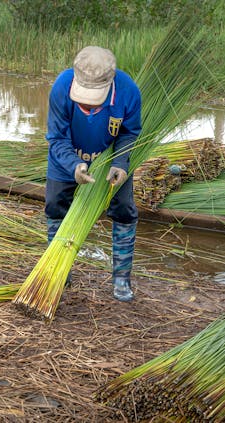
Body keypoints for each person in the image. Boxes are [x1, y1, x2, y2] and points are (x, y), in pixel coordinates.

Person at [44, 45, 142, 302]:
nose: (87, 104)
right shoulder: (61, 87)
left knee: (123, 209)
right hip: (67, 158)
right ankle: (58, 269)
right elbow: (56, 137)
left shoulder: (128, 91)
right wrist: (74, 165)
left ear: (109, 85)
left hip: (111, 160)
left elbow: (129, 133)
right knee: (55, 205)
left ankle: (121, 278)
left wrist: (120, 162)